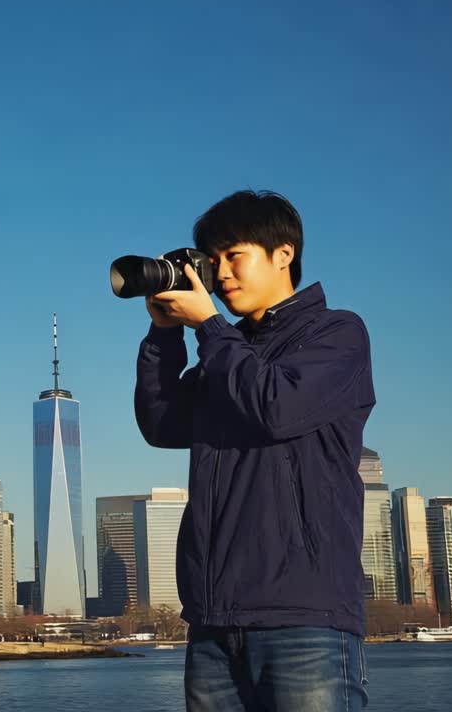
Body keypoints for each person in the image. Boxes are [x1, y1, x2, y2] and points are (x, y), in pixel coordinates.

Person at [134, 190, 374, 711]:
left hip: (303, 616)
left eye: (233, 255)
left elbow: (277, 407)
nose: (220, 274)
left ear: (283, 253)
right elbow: (163, 423)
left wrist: (210, 328)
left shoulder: (337, 332)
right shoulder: (227, 350)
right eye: (212, 260)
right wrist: (162, 335)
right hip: (213, 621)